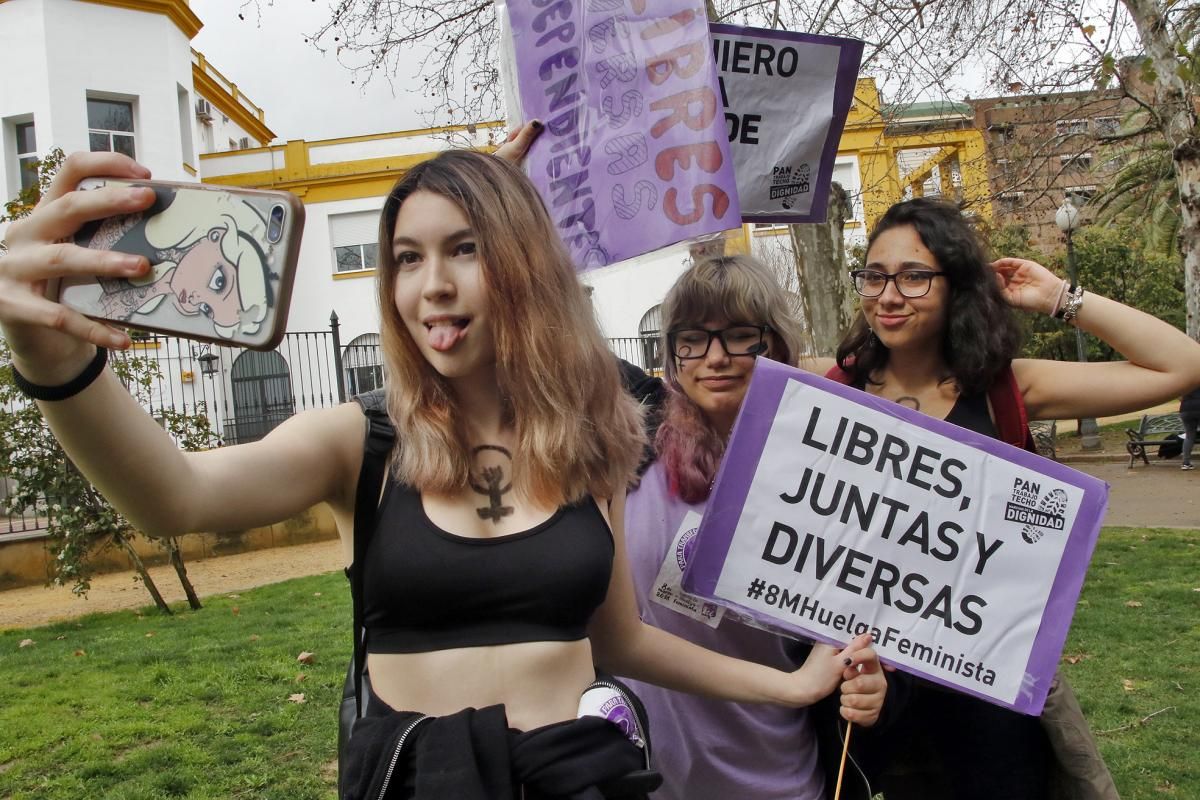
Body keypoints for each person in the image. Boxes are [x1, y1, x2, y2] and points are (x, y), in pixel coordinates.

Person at [0, 149, 884, 798]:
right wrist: (48, 355)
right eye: (408, 258)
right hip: (423, 781)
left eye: (465, 249)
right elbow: (173, 498)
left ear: (524, 266)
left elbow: (620, 639)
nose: (431, 285)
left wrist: (794, 683)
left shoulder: (594, 439)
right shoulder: (357, 443)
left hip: (584, 778)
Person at [806, 196, 1200, 800]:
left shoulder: (1006, 387)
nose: (888, 295)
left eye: (914, 276)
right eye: (875, 275)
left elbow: (1181, 366)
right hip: (869, 682)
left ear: (956, 284)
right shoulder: (834, 388)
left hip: (982, 680)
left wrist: (1059, 298)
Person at [620, 254, 893, 800]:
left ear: (778, 345)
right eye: (693, 339)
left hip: (780, 776)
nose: (716, 358)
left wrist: (872, 681)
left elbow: (869, 621)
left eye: (742, 336)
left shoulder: (834, 476)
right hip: (648, 777)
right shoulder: (627, 454)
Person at [77, 183, 275, 338]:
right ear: (217, 235)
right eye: (218, 282)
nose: (194, 300)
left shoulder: (161, 278)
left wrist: (161, 286)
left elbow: (96, 305)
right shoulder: (156, 207)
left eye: (206, 309)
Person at [1180, 386, 1200, 470]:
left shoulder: (1187, 381)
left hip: (1185, 409)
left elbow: (1179, 397)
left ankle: (1186, 463)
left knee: (1189, 436)